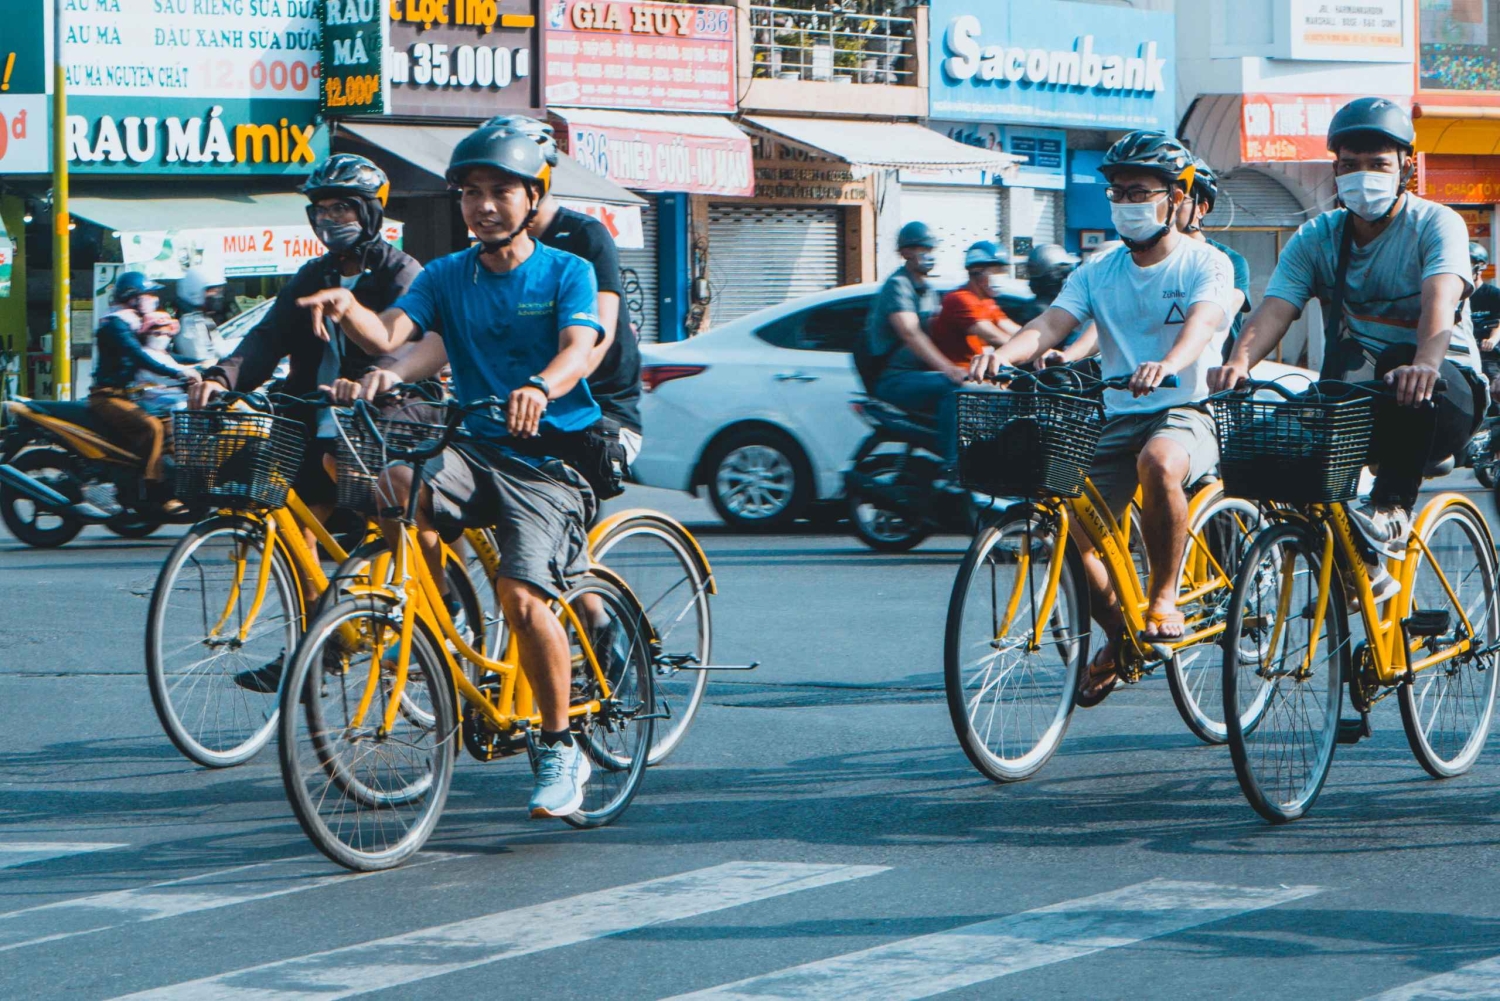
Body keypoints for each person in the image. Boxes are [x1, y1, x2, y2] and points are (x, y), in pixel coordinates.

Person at [298, 123, 606, 819]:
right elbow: (400, 343)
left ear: (534, 197)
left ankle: (561, 747)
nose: (483, 205)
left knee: (523, 598)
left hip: (548, 459)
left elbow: (579, 347)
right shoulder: (445, 275)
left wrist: (543, 385)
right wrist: (357, 328)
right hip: (473, 451)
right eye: (470, 192)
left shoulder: (566, 270)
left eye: (500, 191)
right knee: (392, 484)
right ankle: (437, 617)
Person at [972, 130, 1238, 705]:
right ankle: (1122, 639)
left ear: (1175, 197)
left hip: (1186, 409)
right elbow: (1049, 324)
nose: (1125, 204)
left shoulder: (1207, 262)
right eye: (1116, 193)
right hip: (1117, 416)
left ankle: (1163, 598)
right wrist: (1003, 355)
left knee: (1160, 461)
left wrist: (1166, 364)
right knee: (1070, 530)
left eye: (1139, 192)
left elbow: (1203, 324)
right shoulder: (1099, 269)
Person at [1209, 97, 1485, 602]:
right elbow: (1275, 307)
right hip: (1360, 403)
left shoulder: (1435, 224)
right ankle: (1362, 571)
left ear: (1405, 165)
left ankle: (1393, 511)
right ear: (1335, 170)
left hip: (1444, 394)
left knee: (1400, 365)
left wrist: (1426, 362)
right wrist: (1237, 362)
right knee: (1278, 443)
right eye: (1350, 165)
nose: (1364, 176)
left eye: (1378, 164)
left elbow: (1439, 299)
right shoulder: (1317, 236)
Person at [190, 154, 422, 529]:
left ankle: (419, 585)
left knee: (385, 515)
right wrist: (221, 379)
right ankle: (311, 592)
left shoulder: (402, 271)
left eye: (342, 208)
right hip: (311, 413)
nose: (329, 219)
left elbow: (405, 341)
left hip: (377, 417)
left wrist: (371, 381)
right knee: (295, 525)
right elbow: (268, 336)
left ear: (370, 211)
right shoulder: (313, 274)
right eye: (321, 210)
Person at [484, 115, 642, 465]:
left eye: (505, 184)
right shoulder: (491, 248)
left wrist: (548, 388)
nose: (488, 203)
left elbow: (597, 336)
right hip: (518, 408)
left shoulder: (584, 237)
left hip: (596, 410)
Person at [89, 271, 200, 494]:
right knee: (152, 427)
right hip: (107, 397)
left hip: (128, 396)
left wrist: (200, 364)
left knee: (172, 424)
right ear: (132, 297)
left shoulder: (134, 323)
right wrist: (177, 374)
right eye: (147, 294)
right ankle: (154, 487)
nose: (153, 299)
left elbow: (159, 353)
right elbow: (140, 356)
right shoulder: (115, 325)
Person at [857, 221, 951, 430]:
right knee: (954, 389)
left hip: (918, 375)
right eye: (923, 249)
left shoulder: (928, 290)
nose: (929, 255)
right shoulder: (898, 285)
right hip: (894, 378)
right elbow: (910, 333)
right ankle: (953, 460)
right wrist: (948, 369)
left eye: (931, 249)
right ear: (906, 252)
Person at [1175, 159, 1253, 360]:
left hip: (1216, 381)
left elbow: (1219, 313)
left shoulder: (1229, 261)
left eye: (1179, 199)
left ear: (1201, 209)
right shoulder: (1146, 260)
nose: (1170, 208)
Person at [921, 240, 1021, 368]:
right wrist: (1031, 350)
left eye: (1001, 271)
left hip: (977, 373)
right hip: (958, 375)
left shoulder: (986, 301)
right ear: (976, 271)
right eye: (995, 271)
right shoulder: (960, 299)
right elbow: (994, 336)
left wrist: (1041, 342)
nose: (999, 276)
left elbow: (1010, 327)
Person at [134, 311, 197, 416]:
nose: (163, 337)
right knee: (181, 404)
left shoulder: (164, 354)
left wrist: (200, 366)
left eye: (167, 334)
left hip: (170, 395)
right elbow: (168, 371)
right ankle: (179, 432)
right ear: (146, 334)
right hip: (153, 399)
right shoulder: (145, 353)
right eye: (157, 334)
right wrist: (189, 371)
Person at [173, 263, 227, 365]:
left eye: (219, 291)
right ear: (196, 290)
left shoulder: (204, 318)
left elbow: (220, 349)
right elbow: (201, 359)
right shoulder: (190, 323)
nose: (217, 296)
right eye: (212, 291)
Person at [1469, 242, 1500, 381]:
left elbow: (1498, 323)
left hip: (1487, 356)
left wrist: (1492, 340)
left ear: (1479, 267)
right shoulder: (1454, 297)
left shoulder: (1493, 294)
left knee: (1493, 387)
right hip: (1461, 354)